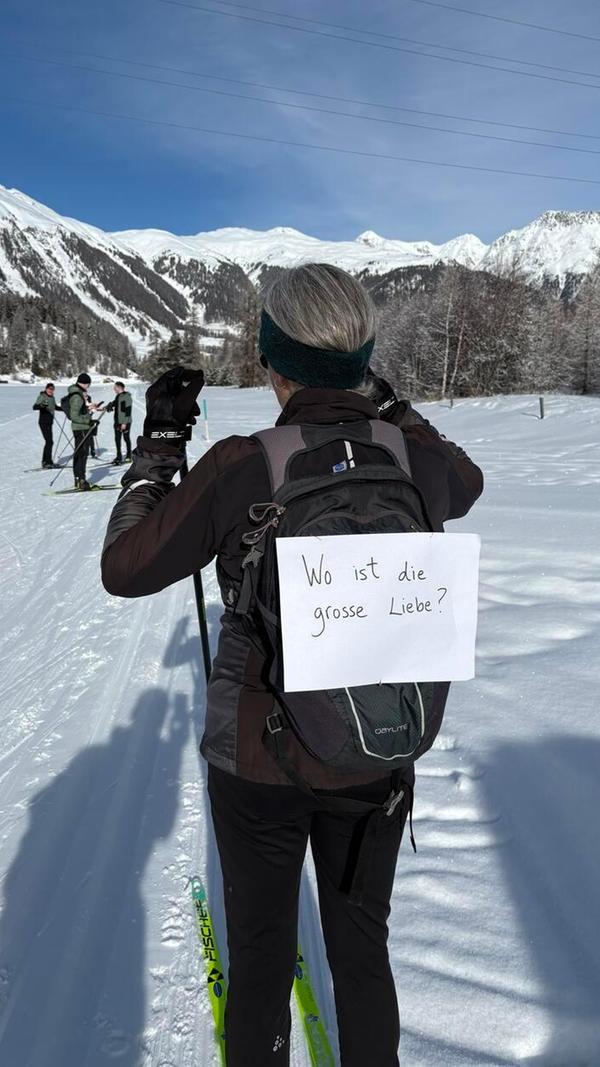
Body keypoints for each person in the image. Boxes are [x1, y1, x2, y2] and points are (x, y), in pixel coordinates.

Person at [101, 264, 483, 1066]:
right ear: (359, 357)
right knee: (362, 949)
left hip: (260, 760)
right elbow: (469, 480)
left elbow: (126, 565)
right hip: (380, 748)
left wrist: (159, 449)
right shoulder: (411, 455)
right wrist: (385, 403)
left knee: (266, 955)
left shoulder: (244, 462)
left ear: (274, 362)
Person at [67, 372, 101, 490]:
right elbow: (74, 415)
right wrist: (88, 421)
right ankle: (81, 480)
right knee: (82, 454)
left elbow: (81, 411)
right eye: (88, 385)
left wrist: (90, 408)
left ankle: (79, 479)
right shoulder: (77, 395)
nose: (88, 387)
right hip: (81, 428)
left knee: (80, 453)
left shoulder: (78, 393)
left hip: (81, 428)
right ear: (85, 383)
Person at [32, 382, 59, 468]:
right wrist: (42, 406)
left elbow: (55, 407)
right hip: (43, 422)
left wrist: (66, 410)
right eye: (49, 389)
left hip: (49, 422)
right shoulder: (42, 396)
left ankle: (48, 461)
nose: (51, 390)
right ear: (46, 389)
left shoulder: (52, 397)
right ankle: (46, 462)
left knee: (50, 442)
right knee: (49, 442)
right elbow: (35, 407)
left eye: (52, 389)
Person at [106, 381, 133, 464]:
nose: (114, 389)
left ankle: (129, 455)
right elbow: (115, 404)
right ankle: (119, 456)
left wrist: (124, 423)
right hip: (117, 421)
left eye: (115, 387)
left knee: (126, 438)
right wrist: (108, 406)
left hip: (125, 422)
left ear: (119, 387)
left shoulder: (126, 397)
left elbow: (128, 411)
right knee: (117, 439)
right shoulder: (118, 396)